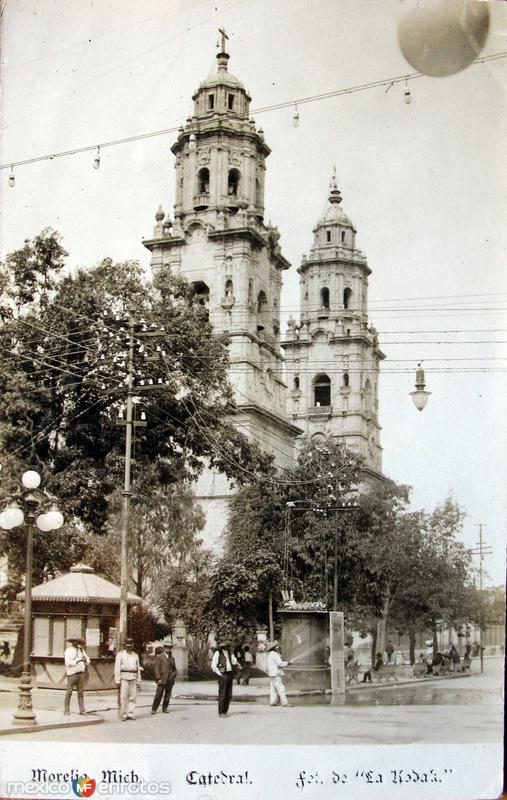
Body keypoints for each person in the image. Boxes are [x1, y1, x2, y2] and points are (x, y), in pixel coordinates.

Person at [114, 637, 142, 721]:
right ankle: (123, 714)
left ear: (133, 645)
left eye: (130, 646)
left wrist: (139, 680)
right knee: (123, 697)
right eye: (127, 646)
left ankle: (130, 713)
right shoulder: (120, 654)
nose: (129, 647)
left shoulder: (135, 655)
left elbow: (138, 668)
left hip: (133, 677)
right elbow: (117, 667)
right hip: (124, 677)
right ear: (125, 646)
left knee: (133, 697)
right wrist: (117, 679)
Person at [63, 636, 90, 715]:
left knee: (81, 692)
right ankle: (66, 709)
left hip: (81, 673)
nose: (76, 643)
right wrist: (78, 660)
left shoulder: (81, 650)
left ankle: (82, 710)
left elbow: (88, 660)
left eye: (77, 641)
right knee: (69, 691)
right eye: (74, 641)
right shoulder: (68, 650)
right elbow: (68, 663)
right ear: (72, 642)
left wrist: (86, 661)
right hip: (72, 673)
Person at [211, 640, 238, 717]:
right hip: (223, 674)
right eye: (226, 646)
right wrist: (220, 674)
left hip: (230, 673)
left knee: (229, 694)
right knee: (223, 693)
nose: (228, 647)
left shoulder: (229, 654)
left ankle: (225, 711)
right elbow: (213, 666)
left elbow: (234, 662)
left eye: (228, 646)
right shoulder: (217, 653)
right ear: (222, 647)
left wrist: (232, 654)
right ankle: (221, 712)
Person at [151, 642, 176, 714]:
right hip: (162, 678)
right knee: (158, 694)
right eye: (167, 647)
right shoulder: (159, 657)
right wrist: (158, 678)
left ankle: (165, 708)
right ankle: (154, 708)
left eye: (170, 648)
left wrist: (173, 676)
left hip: (170, 679)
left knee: (168, 695)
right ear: (164, 648)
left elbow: (174, 669)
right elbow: (156, 668)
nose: (168, 649)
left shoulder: (172, 658)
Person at [266, 640, 292, 707]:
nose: (278, 647)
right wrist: (287, 663)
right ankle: (285, 703)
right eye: (276, 646)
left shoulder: (269, 655)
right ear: (274, 648)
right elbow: (279, 664)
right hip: (276, 674)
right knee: (281, 688)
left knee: (273, 689)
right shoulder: (275, 654)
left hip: (271, 674)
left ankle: (272, 702)